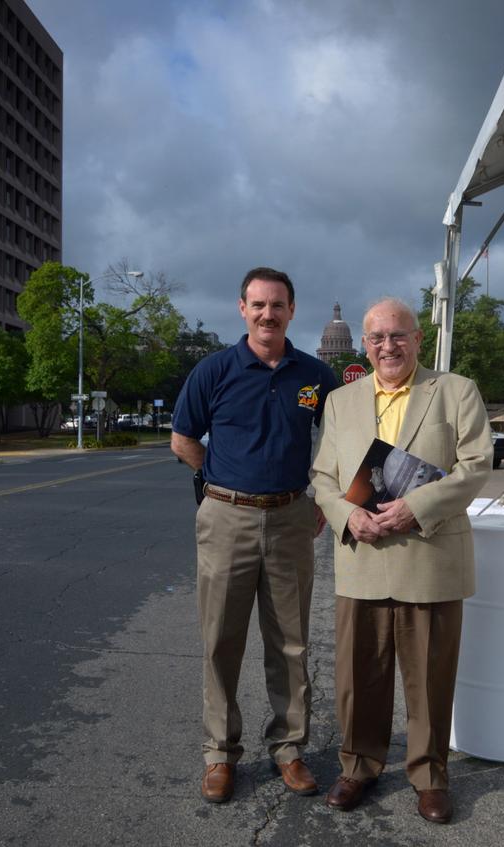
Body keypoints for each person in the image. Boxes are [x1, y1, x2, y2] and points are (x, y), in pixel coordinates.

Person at [309, 297, 491, 824]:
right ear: (363, 346)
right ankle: (359, 767)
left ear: (417, 339)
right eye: (376, 338)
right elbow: (322, 477)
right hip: (363, 557)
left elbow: (476, 466)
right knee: (358, 675)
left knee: (429, 678)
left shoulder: (455, 391)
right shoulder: (341, 401)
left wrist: (415, 507)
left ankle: (430, 777)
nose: (387, 346)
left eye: (397, 335)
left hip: (429, 555)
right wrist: (345, 515)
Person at [171, 267, 338, 804]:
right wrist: (216, 486)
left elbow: (340, 441)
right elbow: (182, 440)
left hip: (291, 516)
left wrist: (324, 500)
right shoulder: (215, 370)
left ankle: (289, 750)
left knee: (290, 642)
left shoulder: (314, 376)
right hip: (227, 517)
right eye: (258, 305)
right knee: (221, 639)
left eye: (278, 305)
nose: (268, 314)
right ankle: (220, 754)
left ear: (292, 310)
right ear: (242, 308)